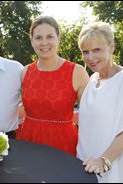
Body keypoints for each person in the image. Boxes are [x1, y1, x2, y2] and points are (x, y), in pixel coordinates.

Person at [76, 22, 123, 183]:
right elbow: (90, 118)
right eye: (85, 52)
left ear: (111, 47)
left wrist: (103, 161)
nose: (90, 57)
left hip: (108, 167)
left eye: (97, 50)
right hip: (84, 162)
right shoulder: (93, 79)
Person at [15, 16, 89, 156]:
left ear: (58, 38)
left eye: (49, 36)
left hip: (63, 143)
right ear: (31, 41)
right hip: (28, 141)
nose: (44, 43)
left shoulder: (77, 72)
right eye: (38, 38)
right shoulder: (25, 72)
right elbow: (23, 108)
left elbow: (90, 114)